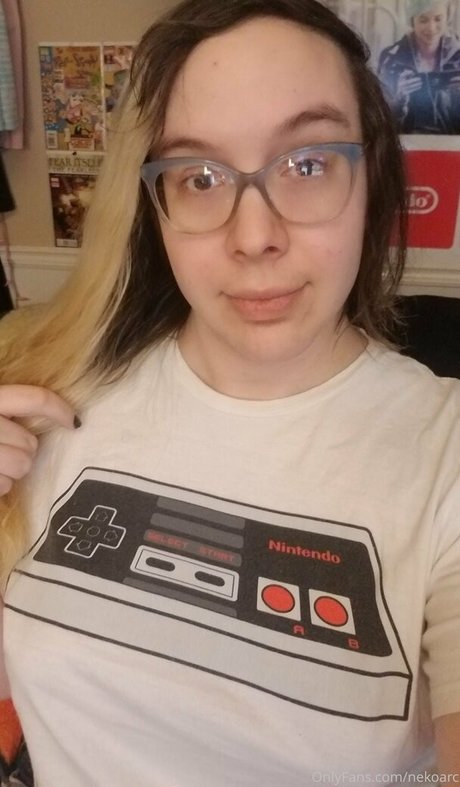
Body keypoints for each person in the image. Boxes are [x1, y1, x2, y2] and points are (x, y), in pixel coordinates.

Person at [0, 0, 459, 783]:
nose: (254, 238)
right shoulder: (43, 385)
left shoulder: (445, 454)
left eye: (307, 164)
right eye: (201, 177)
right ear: (155, 206)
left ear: (373, 172)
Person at [377, 0, 460, 134]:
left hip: (452, 143)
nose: (431, 28)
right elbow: (379, 120)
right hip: (405, 141)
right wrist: (399, 99)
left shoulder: (458, 57)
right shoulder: (391, 59)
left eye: (438, 19)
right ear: (412, 21)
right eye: (423, 20)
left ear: (448, 17)